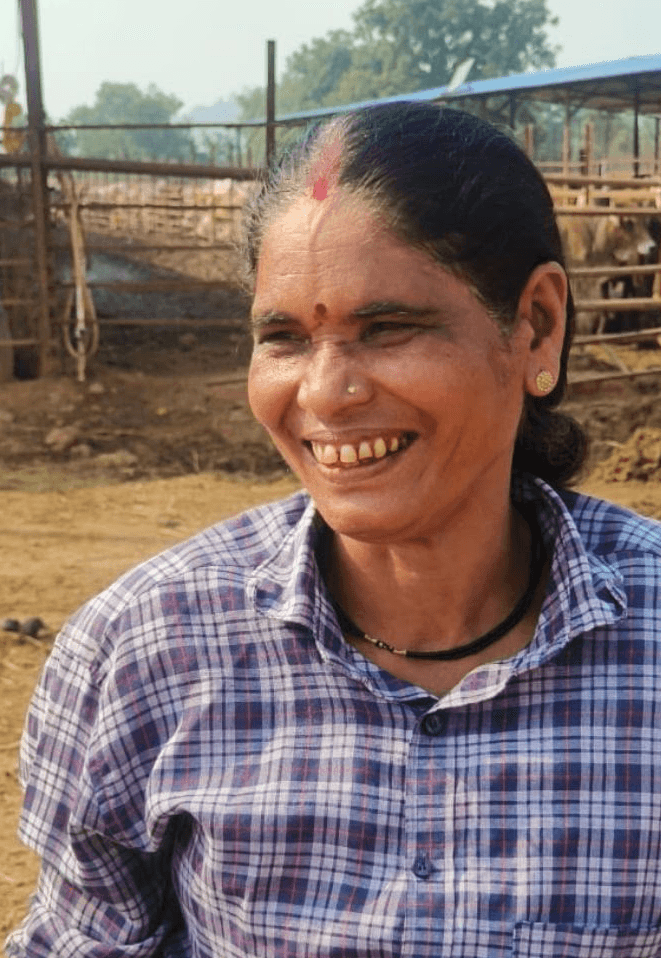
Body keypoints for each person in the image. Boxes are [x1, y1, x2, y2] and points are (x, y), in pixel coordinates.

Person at [7, 102, 661, 957]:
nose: (323, 393)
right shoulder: (144, 651)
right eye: (282, 337)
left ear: (534, 325)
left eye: (386, 329)